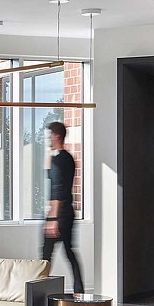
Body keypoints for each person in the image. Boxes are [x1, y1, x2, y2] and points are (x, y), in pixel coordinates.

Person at [42, 121, 84, 294]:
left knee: (46, 254)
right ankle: (79, 290)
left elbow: (57, 190)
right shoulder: (64, 158)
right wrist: (49, 153)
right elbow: (50, 177)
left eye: (50, 135)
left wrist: (52, 219)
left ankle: (39, 291)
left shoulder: (60, 161)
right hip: (66, 212)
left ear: (56, 136)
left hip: (60, 214)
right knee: (68, 251)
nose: (48, 139)